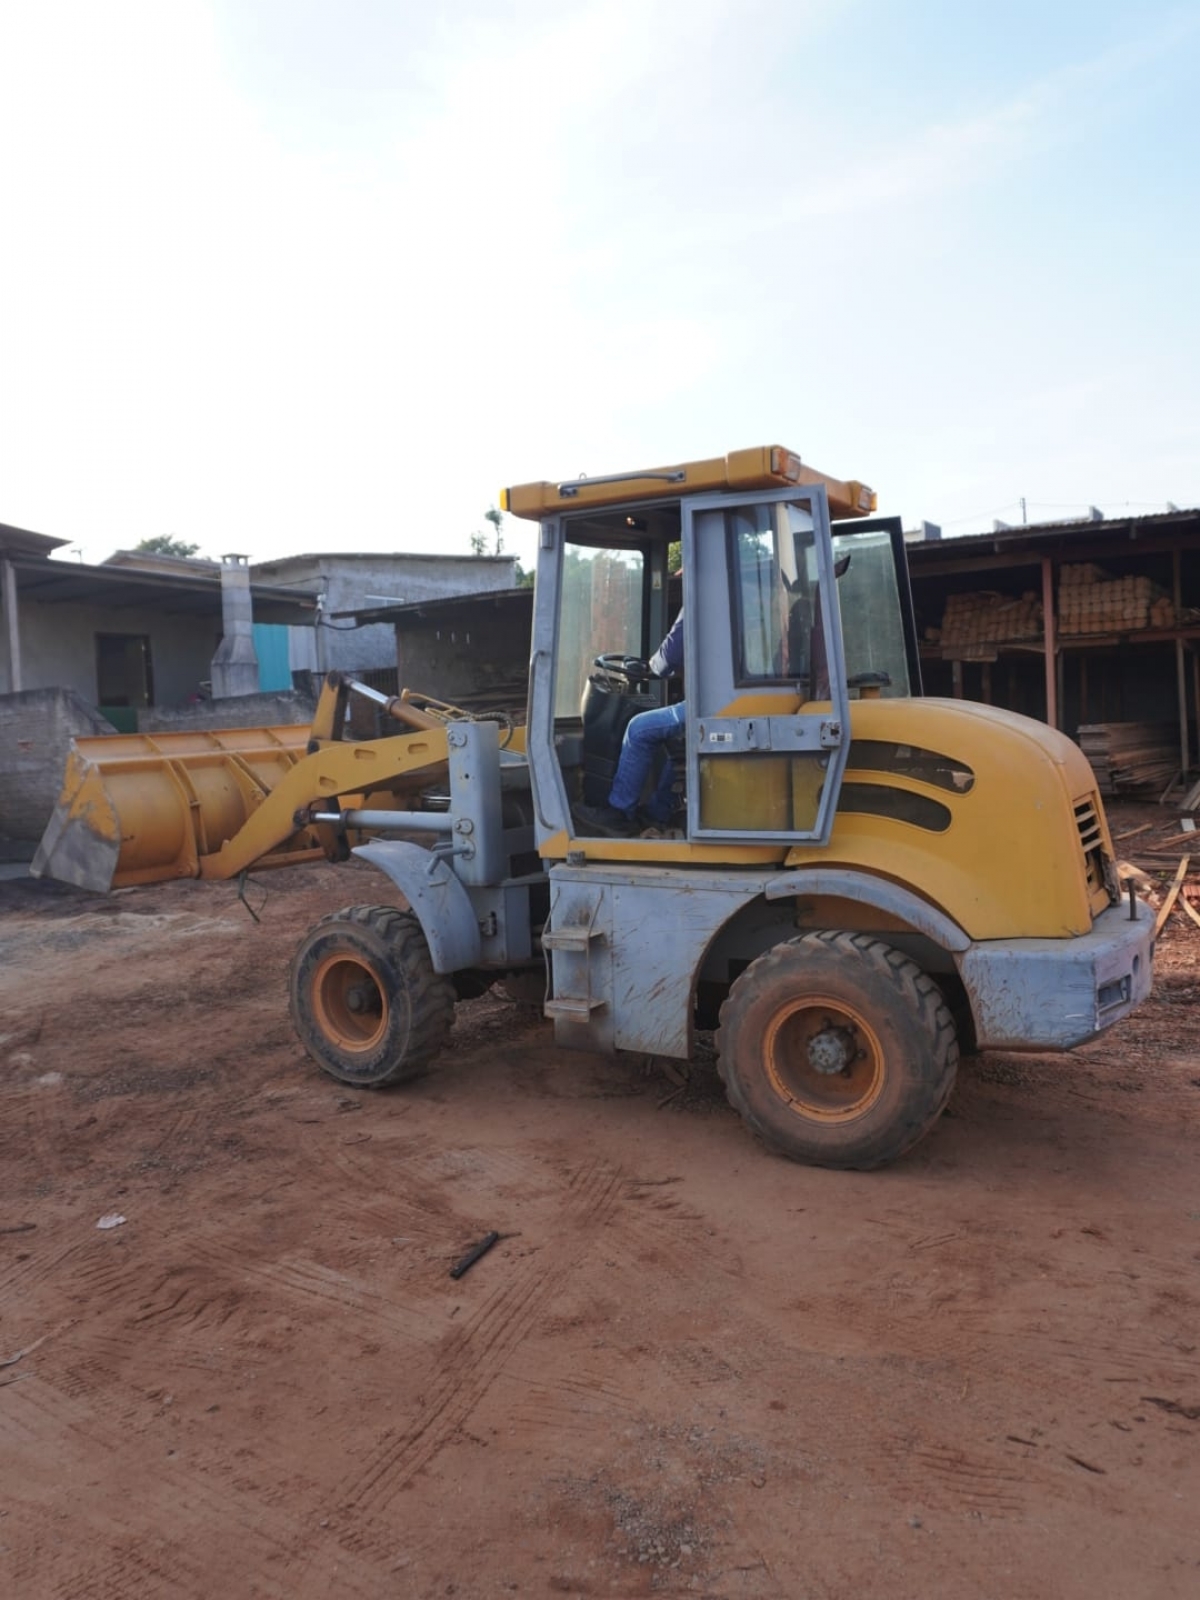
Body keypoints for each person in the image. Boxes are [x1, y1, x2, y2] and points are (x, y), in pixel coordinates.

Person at [576, 610, 685, 837]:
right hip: (726, 703)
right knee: (679, 747)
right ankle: (656, 814)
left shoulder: (700, 591)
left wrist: (650, 666)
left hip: (711, 706)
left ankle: (618, 814)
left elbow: (668, 658)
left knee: (639, 729)